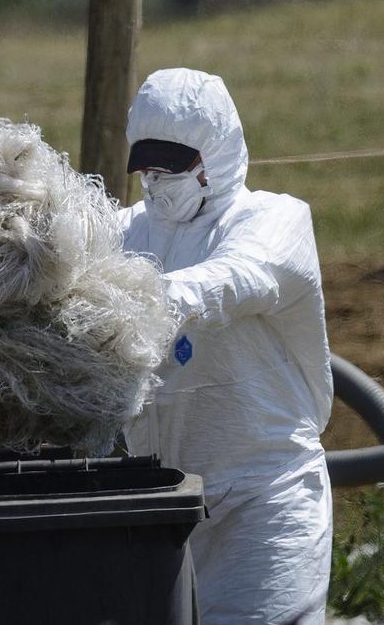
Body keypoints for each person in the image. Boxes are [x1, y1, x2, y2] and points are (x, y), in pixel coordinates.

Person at [120, 67, 334, 625]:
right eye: (147, 166)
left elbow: (237, 279)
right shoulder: (131, 231)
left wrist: (126, 299)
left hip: (263, 503)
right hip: (162, 509)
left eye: (172, 165)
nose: (157, 178)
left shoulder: (275, 221)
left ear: (214, 154)